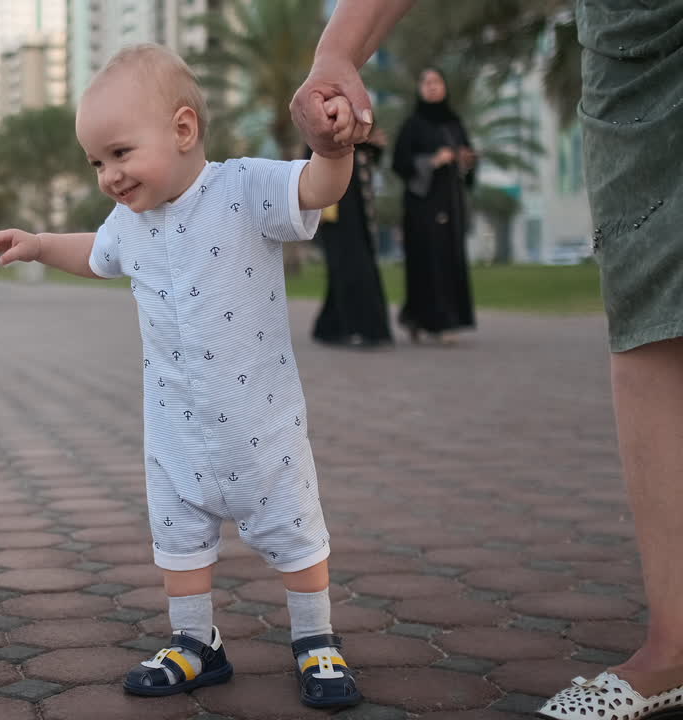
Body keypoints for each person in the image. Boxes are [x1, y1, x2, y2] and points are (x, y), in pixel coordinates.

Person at [290, 1, 683, 717]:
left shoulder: (457, 121)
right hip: (635, 53)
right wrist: (338, 52)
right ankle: (676, 645)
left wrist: (459, 161)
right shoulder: (412, 127)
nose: (436, 92)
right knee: (648, 307)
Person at [0, 44, 363, 708]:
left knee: (294, 522)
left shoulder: (243, 187)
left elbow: (316, 190)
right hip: (176, 425)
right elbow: (95, 256)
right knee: (177, 533)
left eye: (120, 154)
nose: (108, 176)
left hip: (259, 419)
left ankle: (315, 638)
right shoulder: (129, 222)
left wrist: (332, 152)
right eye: (96, 162)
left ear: (183, 130)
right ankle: (195, 642)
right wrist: (39, 244)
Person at [391, 68, 475, 345]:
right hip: (422, 208)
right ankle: (437, 323)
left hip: (451, 203)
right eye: (426, 83)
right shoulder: (413, 125)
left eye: (437, 82)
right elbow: (399, 163)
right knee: (429, 261)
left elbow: (468, 163)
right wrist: (432, 161)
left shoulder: (454, 124)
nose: (432, 87)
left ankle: (426, 318)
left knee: (449, 260)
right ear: (419, 88)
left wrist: (466, 160)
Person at [310, 126, 393, 348]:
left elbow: (368, 167)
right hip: (335, 217)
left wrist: (372, 145)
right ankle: (358, 328)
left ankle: (330, 327)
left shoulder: (362, 144)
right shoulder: (322, 134)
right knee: (347, 270)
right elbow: (309, 166)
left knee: (355, 269)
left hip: (359, 218)